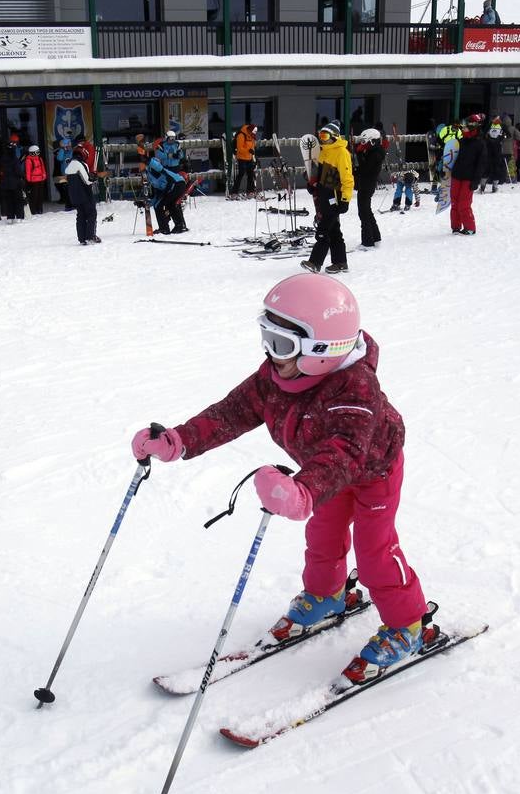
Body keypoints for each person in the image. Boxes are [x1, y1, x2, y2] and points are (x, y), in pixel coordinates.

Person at [131, 272, 432, 684]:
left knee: (374, 550)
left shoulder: (356, 389)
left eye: (283, 345)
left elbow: (345, 451)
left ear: (321, 349)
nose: (272, 355)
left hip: (371, 472)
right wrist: (179, 441)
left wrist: (303, 491)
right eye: (267, 338)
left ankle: (408, 624)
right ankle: (327, 596)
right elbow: (232, 412)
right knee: (322, 537)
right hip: (318, 475)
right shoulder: (278, 377)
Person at [301, 120, 353, 273]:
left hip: (334, 199)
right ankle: (340, 263)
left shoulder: (342, 153)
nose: (322, 138)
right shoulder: (324, 151)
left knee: (323, 231)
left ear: (334, 136)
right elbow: (321, 175)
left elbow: (347, 179)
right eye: (320, 135)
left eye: (325, 135)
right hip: (325, 196)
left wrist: (345, 200)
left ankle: (315, 262)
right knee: (334, 231)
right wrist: (313, 185)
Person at [450, 113, 486, 235]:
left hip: (468, 179)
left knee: (463, 204)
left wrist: (476, 180)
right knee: (454, 202)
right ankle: (455, 226)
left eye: (465, 126)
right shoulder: (460, 141)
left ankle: (470, 228)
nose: (463, 128)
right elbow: (451, 158)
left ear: (472, 127)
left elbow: (481, 164)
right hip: (456, 176)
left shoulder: (480, 144)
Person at [353, 127, 384, 251]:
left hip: (367, 185)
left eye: (365, 142)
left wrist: (359, 155)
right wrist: (359, 152)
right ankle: (376, 237)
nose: (363, 144)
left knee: (363, 213)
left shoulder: (375, 154)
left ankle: (367, 242)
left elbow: (364, 169)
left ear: (372, 141)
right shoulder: (373, 151)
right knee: (367, 211)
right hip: (366, 184)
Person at [64, 142, 100, 245]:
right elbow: (87, 180)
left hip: (74, 196)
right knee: (91, 214)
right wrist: (94, 177)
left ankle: (82, 238)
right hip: (85, 195)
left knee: (80, 216)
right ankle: (90, 236)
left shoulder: (70, 165)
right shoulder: (81, 164)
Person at [145, 155, 188, 235]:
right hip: (177, 185)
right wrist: (147, 204)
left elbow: (157, 166)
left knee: (159, 205)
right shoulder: (152, 178)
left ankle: (164, 228)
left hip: (177, 184)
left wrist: (149, 160)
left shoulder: (161, 170)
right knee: (170, 205)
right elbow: (157, 196)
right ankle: (179, 226)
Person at [0, 136, 25, 223]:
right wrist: (23, 176)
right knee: (18, 200)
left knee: (8, 201)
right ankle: (19, 217)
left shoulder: (2, 159)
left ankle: (10, 217)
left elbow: (1, 171)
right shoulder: (15, 159)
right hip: (15, 183)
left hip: (5, 183)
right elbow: (18, 171)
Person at [479, 117, 507, 193]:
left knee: (490, 167)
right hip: (494, 149)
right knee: (494, 167)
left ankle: (484, 186)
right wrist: (501, 138)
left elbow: (483, 134)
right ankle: (490, 186)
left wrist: (488, 138)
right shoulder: (501, 125)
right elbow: (508, 135)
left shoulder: (492, 125)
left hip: (491, 148)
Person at [231, 123, 257, 196]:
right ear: (250, 130)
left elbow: (252, 145)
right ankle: (234, 192)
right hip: (241, 158)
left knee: (251, 174)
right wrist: (248, 150)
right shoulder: (241, 135)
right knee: (241, 174)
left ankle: (250, 191)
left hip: (249, 158)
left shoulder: (252, 136)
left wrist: (252, 150)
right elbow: (240, 148)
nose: (254, 134)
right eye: (253, 132)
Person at [24, 144, 48, 215]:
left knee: (40, 195)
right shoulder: (28, 160)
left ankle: (39, 209)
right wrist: (28, 180)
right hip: (33, 181)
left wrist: (44, 175)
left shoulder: (39, 159)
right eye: (36, 152)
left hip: (40, 179)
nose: (37, 154)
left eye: (38, 152)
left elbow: (42, 167)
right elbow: (28, 170)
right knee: (34, 196)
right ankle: (33, 210)